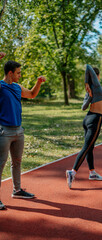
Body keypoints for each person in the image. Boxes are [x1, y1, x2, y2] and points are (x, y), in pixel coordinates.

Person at [0, 52, 46, 210]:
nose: (20, 75)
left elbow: (32, 94)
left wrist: (38, 82)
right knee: (0, 164)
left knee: (17, 162)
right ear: (10, 73)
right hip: (4, 132)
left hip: (18, 131)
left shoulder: (18, 87)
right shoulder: (0, 86)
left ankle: (17, 190)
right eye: (18, 73)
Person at [66, 64, 102, 189]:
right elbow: (88, 66)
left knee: (90, 147)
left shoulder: (89, 91)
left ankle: (92, 172)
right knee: (86, 147)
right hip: (95, 119)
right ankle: (72, 172)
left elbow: (83, 107)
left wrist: (89, 96)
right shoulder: (96, 86)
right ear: (96, 76)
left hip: (87, 118)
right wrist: (86, 84)